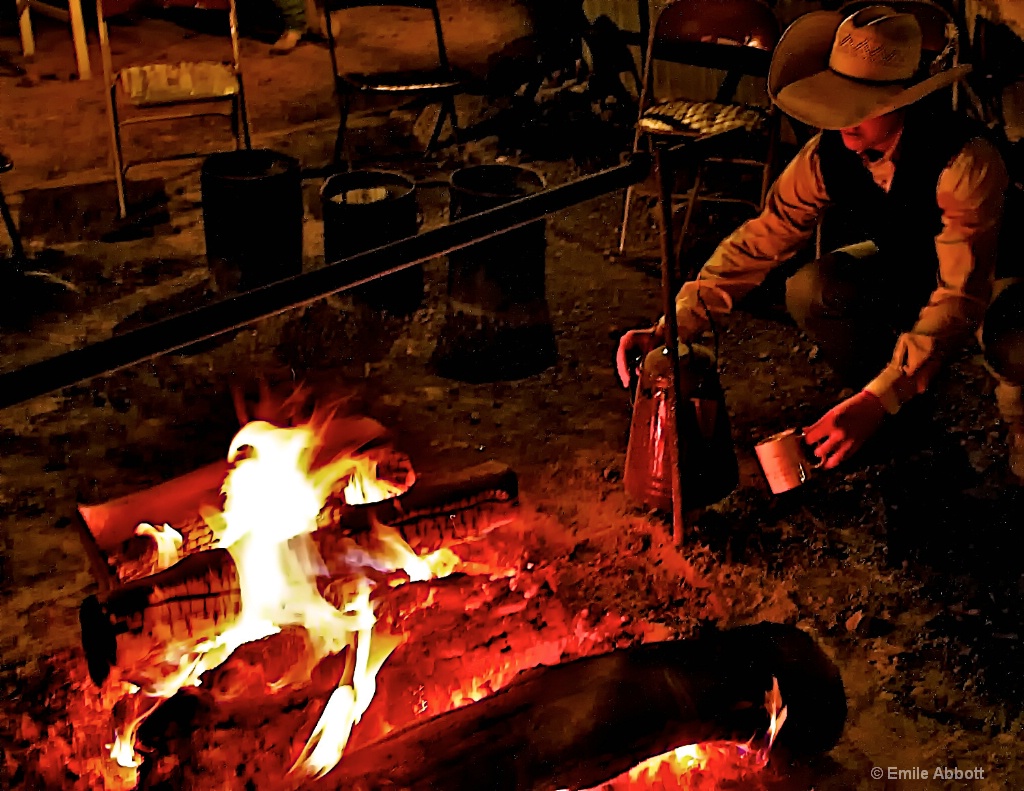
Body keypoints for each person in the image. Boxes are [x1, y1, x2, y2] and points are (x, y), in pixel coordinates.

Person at [615, 6, 1022, 479]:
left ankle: (1011, 417)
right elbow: (761, 238)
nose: (847, 117)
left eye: (866, 104)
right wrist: (674, 327)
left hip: (997, 274)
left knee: (1014, 343)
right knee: (814, 289)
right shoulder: (826, 155)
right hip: (909, 262)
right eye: (840, 98)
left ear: (904, 99)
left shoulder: (965, 161)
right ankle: (899, 419)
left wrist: (877, 399)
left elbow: (959, 298)